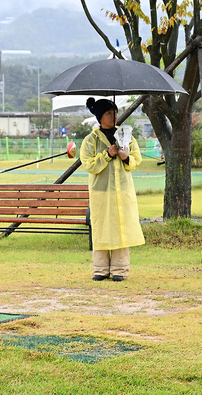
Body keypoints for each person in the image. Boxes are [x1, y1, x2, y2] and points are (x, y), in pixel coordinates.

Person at [80, 97, 144, 282]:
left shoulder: (125, 136)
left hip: (122, 190)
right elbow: (89, 165)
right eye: (109, 113)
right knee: (101, 228)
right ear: (100, 117)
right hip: (100, 192)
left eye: (115, 112)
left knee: (120, 228)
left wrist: (125, 157)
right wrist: (107, 155)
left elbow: (136, 159)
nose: (114, 116)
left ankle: (120, 269)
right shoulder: (91, 140)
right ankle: (100, 269)